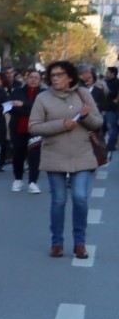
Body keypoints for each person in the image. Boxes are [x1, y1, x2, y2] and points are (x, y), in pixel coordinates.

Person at [31, 59, 104, 260]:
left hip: (82, 154)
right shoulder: (43, 98)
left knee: (80, 197)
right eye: (53, 75)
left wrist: (87, 116)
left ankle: (79, 243)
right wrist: (62, 124)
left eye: (60, 74)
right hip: (55, 154)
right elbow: (34, 127)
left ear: (70, 76)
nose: (55, 79)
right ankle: (57, 243)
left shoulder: (83, 94)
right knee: (59, 200)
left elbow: (98, 122)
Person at [4, 67, 45, 194]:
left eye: (36, 78)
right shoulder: (18, 91)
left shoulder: (44, 94)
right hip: (18, 128)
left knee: (34, 156)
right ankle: (18, 179)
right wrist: (29, 109)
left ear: (40, 80)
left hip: (35, 129)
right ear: (26, 78)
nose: (33, 80)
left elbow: (42, 109)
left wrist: (23, 105)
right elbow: (11, 107)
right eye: (31, 77)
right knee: (18, 155)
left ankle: (33, 182)